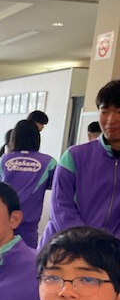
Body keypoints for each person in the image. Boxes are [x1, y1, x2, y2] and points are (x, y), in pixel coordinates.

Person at [40, 79, 120, 246]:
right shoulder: (74, 156)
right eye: (104, 111)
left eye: (119, 112)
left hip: (109, 253)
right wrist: (86, 245)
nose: (111, 119)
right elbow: (61, 208)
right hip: (64, 248)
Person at [0, 120, 57, 247]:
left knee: (0, 255)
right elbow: (59, 185)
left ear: (14, 138)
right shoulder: (48, 162)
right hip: (28, 225)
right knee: (27, 257)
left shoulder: (4, 160)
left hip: (3, 219)